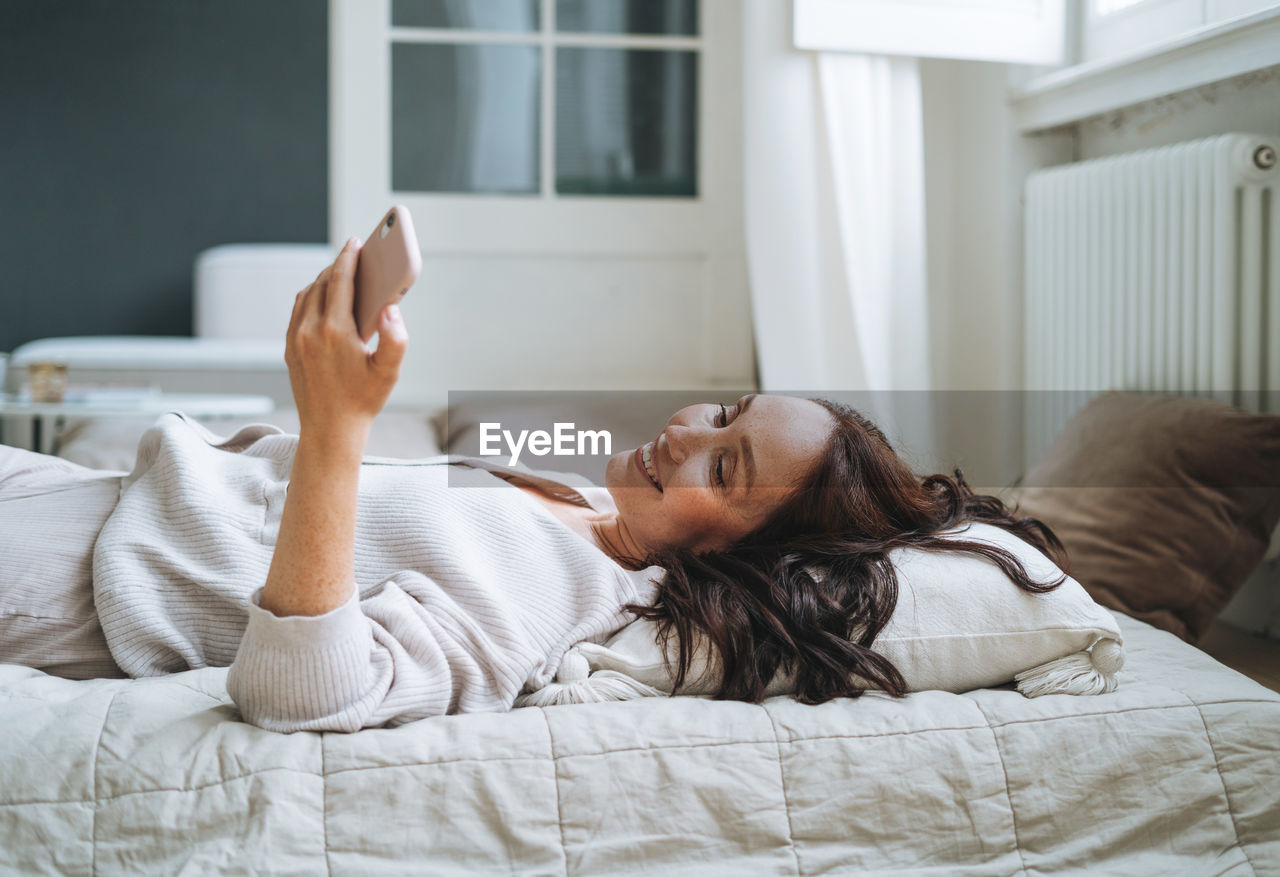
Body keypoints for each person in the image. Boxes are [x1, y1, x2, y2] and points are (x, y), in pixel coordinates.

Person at [0, 241, 1066, 732]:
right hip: (80, 491)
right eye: (724, 412)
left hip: (74, 578)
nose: (686, 431)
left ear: (740, 552)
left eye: (724, 465)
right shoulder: (586, 512)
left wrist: (334, 428)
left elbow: (306, 693)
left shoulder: (558, 602)